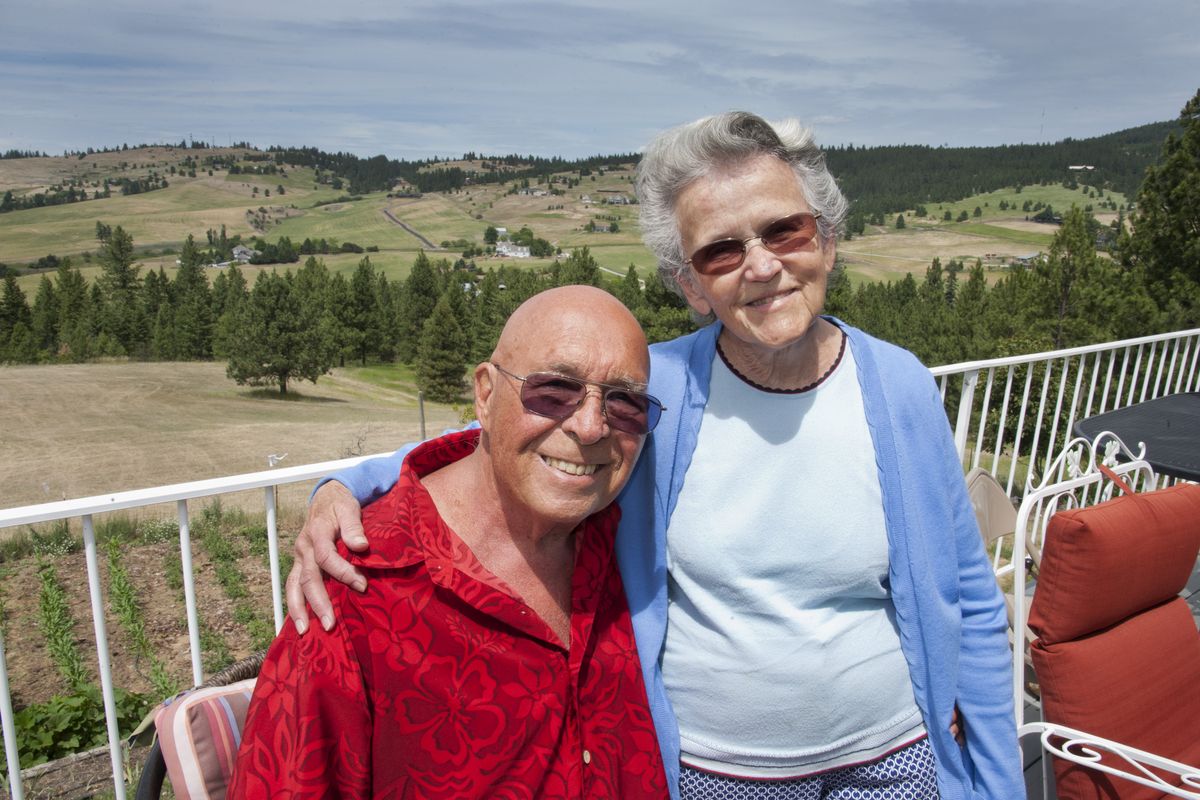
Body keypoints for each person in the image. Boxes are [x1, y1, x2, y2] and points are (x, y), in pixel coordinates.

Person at [289, 112, 1024, 800]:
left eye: (785, 231)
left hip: (894, 760)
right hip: (716, 775)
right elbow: (513, 434)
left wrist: (998, 782)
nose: (762, 266)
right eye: (722, 250)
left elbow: (968, 591)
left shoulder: (897, 384)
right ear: (691, 286)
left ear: (827, 238)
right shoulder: (658, 390)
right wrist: (349, 483)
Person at [230, 286, 669, 799]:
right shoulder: (357, 593)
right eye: (553, 390)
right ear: (485, 393)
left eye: (625, 403)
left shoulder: (620, 541)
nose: (592, 426)